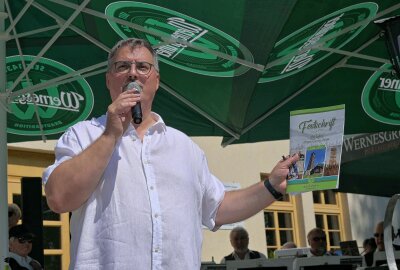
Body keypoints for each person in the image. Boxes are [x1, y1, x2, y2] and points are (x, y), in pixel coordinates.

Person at [42, 38, 299, 270]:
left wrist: (272, 186)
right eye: (122, 66)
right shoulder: (83, 135)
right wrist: (110, 135)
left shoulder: (184, 147)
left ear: (156, 80)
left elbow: (217, 208)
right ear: (109, 80)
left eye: (143, 67)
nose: (133, 73)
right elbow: (59, 199)